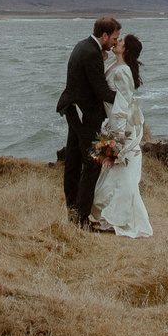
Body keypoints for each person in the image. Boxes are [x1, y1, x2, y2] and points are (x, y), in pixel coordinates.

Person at [56, 15, 121, 228]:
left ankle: (73, 212)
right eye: (114, 38)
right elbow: (100, 90)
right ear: (104, 36)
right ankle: (81, 218)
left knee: (74, 162)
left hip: (73, 111)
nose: (114, 43)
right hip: (85, 116)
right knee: (93, 163)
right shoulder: (92, 54)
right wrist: (124, 100)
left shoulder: (83, 46)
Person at [92, 31, 152, 238]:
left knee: (118, 170)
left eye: (121, 41)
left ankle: (114, 217)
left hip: (120, 127)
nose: (116, 42)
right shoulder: (117, 67)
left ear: (125, 49)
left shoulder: (123, 71)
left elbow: (122, 106)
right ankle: (106, 216)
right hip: (114, 125)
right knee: (110, 171)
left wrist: (118, 137)